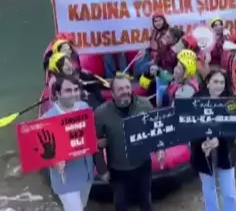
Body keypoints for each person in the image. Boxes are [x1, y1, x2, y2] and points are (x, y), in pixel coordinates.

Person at [93, 74, 159, 211]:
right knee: (120, 205)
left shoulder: (145, 105)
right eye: (121, 88)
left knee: (146, 202)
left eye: (128, 87)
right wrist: (102, 170)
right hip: (118, 170)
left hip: (143, 166)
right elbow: (96, 144)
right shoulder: (100, 114)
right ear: (112, 93)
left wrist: (160, 149)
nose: (125, 91)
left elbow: (156, 129)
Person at [42, 76, 95, 211]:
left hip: (86, 173)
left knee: (82, 206)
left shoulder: (84, 108)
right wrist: (52, 161)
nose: (73, 94)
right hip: (65, 179)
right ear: (58, 94)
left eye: (76, 89)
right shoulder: (46, 119)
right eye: (68, 90)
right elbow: (40, 154)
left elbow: (90, 135)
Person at [190, 70, 236, 211]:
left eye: (222, 82)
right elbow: (190, 126)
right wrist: (201, 143)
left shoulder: (231, 100)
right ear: (208, 83)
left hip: (225, 152)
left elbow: (234, 128)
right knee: (209, 191)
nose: (219, 85)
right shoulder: (196, 99)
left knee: (229, 193)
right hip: (203, 153)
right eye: (215, 82)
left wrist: (220, 140)